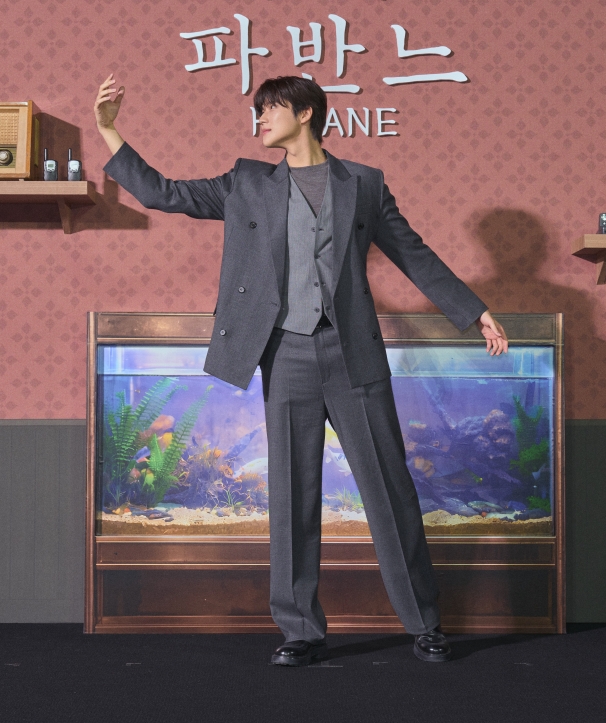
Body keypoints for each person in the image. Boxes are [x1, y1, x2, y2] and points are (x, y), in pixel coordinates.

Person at [94, 74, 508, 665]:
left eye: (270, 109)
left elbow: (413, 252)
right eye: (258, 111)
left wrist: (475, 311)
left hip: (353, 354)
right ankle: (300, 632)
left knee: (390, 490)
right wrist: (109, 130)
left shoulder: (364, 184)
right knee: (291, 496)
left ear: (306, 113)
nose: (259, 120)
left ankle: (425, 623)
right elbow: (163, 193)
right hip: (284, 353)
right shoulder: (245, 183)